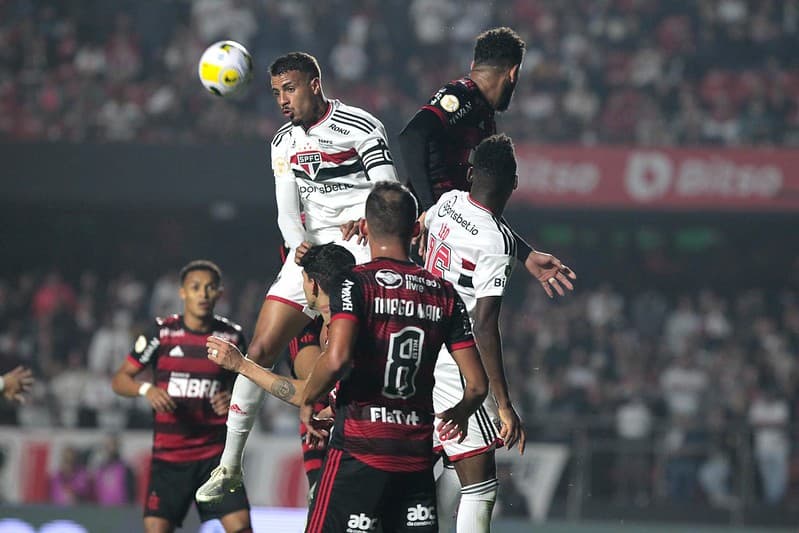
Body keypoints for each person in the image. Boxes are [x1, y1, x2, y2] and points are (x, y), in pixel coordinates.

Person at [197, 51, 398, 503]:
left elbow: (391, 188)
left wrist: (371, 216)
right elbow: (287, 211)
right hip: (312, 250)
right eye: (275, 93)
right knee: (260, 348)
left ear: (314, 84)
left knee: (354, 358)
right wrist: (298, 244)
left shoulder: (360, 126)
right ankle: (230, 465)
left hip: (362, 244)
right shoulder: (282, 142)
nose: (282, 100)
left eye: (289, 89)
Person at [297, 182, 488, 532]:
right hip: (414, 458)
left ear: (365, 228)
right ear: (416, 229)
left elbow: (337, 359)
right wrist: (460, 413)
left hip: (358, 450)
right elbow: (477, 385)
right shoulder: (444, 294)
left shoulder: (354, 283)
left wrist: (309, 397)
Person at [398, 27, 575, 298]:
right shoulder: (462, 94)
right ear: (513, 73)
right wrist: (430, 210)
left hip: (443, 233)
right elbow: (412, 136)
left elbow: (480, 210)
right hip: (420, 233)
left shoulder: (484, 117)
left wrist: (525, 255)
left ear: (474, 64)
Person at [423, 134, 526, 532]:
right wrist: (503, 403)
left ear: (470, 173)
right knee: (480, 483)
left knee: (423, 469)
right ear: (513, 183)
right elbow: (484, 324)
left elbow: (418, 226)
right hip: (453, 364)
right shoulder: (497, 242)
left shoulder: (448, 202)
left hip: (419, 344)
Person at [111, 260, 251, 533]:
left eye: (210, 288)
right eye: (195, 287)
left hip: (214, 458)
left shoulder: (231, 336)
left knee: (241, 526)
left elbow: (248, 385)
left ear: (220, 294)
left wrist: (233, 398)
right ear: (182, 292)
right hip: (169, 459)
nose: (203, 294)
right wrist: (146, 389)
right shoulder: (161, 333)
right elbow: (119, 380)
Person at [207, 243, 357, 497]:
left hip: (367, 450)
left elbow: (305, 393)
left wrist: (241, 364)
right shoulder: (359, 319)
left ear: (312, 285)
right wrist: (333, 411)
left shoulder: (337, 333)